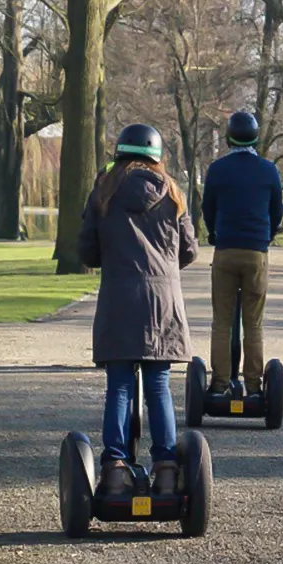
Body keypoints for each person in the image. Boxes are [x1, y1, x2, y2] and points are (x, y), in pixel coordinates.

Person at [78, 124, 199, 497]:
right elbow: (190, 250)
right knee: (158, 386)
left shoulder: (103, 191)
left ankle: (115, 468)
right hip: (163, 303)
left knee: (119, 386)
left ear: (119, 153)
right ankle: (165, 468)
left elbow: (86, 252)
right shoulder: (174, 193)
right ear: (156, 156)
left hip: (119, 299)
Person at [201, 111, 283, 396]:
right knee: (253, 324)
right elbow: (277, 212)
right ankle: (254, 386)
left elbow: (208, 209)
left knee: (222, 322)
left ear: (228, 138)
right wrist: (265, 237)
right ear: (256, 137)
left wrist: (214, 233)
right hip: (256, 252)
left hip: (225, 250)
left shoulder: (217, 170)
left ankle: (220, 384)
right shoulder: (269, 170)